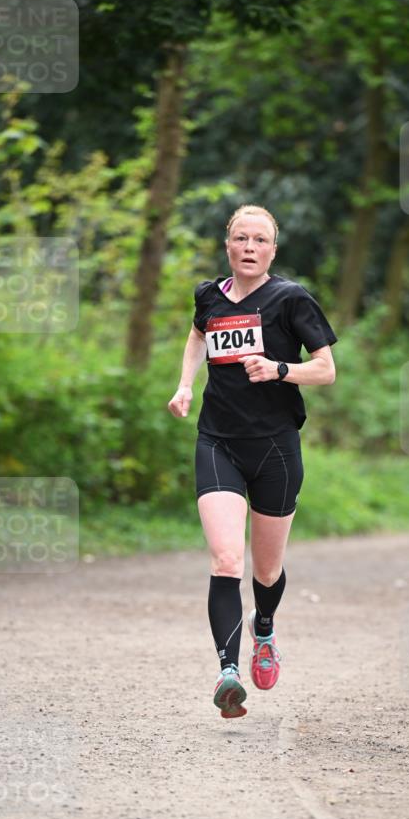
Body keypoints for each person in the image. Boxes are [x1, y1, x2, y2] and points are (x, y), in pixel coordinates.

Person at [168, 205, 337, 719]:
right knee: (226, 561)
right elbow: (199, 335)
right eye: (240, 238)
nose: (249, 247)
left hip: (275, 448)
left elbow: (326, 370)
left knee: (266, 571)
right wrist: (184, 385)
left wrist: (279, 368)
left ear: (272, 250)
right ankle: (227, 673)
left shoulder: (291, 299)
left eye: (259, 240)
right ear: (227, 244)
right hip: (218, 441)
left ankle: (264, 629)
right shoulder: (208, 296)